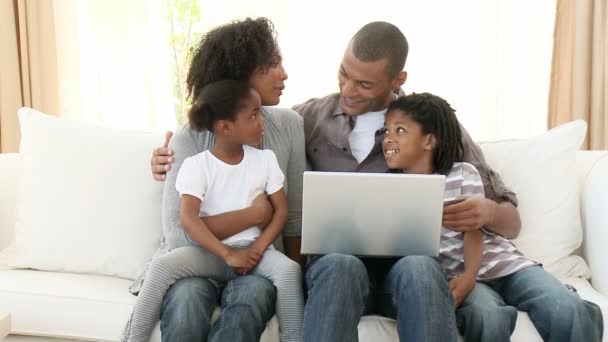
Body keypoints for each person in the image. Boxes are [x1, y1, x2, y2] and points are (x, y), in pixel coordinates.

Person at [382, 92, 603, 342]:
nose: (388, 139)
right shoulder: (391, 188)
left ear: (429, 141)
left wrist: (470, 276)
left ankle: (572, 299)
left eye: (399, 130)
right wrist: (464, 281)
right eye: (385, 131)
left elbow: (473, 231)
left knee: (566, 309)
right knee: (486, 316)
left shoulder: (463, 173)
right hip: (456, 275)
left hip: (503, 265)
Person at [143, 17, 306, 342]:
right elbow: (178, 233)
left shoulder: (289, 125)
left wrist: (287, 276)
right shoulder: (189, 139)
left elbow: (296, 219)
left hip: (256, 264)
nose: (284, 74)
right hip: (195, 263)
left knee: (250, 300)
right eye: (271, 65)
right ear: (239, 79)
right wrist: (254, 216)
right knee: (187, 304)